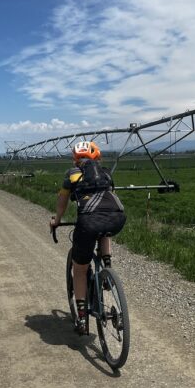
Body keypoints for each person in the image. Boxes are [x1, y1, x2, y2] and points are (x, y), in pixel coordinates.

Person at [50, 141, 126, 334]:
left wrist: (57, 220)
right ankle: (107, 268)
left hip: (88, 223)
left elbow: (63, 200)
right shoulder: (106, 173)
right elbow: (109, 199)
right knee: (104, 228)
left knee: (80, 268)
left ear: (76, 160)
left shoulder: (72, 174)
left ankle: (82, 319)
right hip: (117, 217)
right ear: (97, 158)